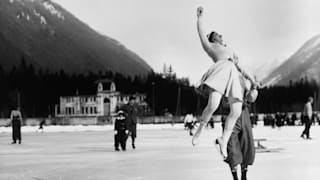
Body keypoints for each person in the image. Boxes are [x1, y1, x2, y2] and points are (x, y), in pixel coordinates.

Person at [192, 6, 259, 159]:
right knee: (213, 105)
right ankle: (200, 128)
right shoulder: (210, 47)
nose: (221, 36)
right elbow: (201, 34)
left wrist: (252, 80)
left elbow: (240, 68)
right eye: (217, 35)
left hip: (233, 75)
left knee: (235, 112)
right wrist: (200, 19)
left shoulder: (230, 51)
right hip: (220, 73)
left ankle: (224, 140)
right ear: (213, 39)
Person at [224, 91, 257, 180]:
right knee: (232, 148)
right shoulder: (224, 81)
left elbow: (252, 97)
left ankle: (244, 175)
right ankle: (235, 177)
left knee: (246, 145)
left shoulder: (245, 80)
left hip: (243, 113)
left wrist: (251, 93)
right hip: (230, 113)